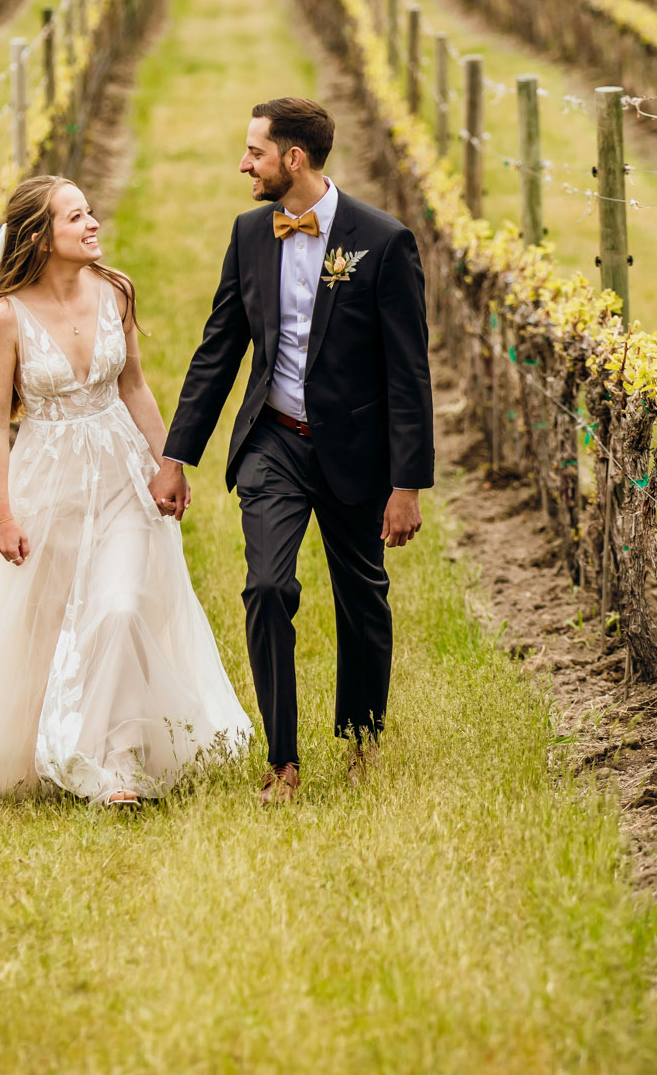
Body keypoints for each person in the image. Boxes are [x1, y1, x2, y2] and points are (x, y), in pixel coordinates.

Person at [0, 175, 253, 807]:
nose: (92, 224)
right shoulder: (5, 317)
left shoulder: (116, 290)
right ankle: (50, 739)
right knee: (54, 620)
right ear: (40, 237)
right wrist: (4, 515)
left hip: (121, 469)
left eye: (90, 212)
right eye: (76, 217)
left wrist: (167, 461)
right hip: (48, 478)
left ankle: (109, 761)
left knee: (118, 606)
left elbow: (135, 387)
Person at [152, 97, 434, 805]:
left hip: (355, 452)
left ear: (293, 159)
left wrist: (408, 483)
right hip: (272, 441)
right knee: (267, 587)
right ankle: (283, 761)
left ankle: (362, 734)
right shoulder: (250, 233)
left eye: (254, 151)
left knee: (362, 598)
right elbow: (218, 351)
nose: (243, 163)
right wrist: (174, 455)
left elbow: (410, 371)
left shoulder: (383, 240)